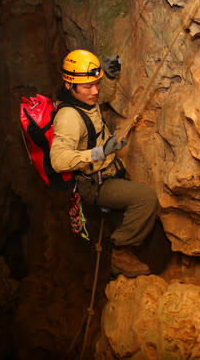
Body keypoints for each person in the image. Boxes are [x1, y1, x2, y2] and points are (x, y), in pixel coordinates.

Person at [50, 49, 157, 278]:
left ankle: (118, 268)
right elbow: (58, 160)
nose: (95, 91)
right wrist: (98, 153)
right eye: (88, 86)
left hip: (109, 173)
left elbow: (102, 96)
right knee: (146, 199)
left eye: (96, 84)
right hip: (95, 184)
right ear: (70, 85)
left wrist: (108, 78)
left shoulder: (83, 99)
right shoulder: (68, 117)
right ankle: (120, 255)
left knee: (126, 221)